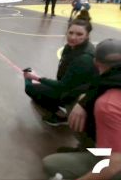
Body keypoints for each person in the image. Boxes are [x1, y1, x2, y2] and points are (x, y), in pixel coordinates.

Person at [43, 38, 121, 180]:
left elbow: (115, 163)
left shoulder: (107, 105)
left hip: (116, 160)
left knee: (52, 164)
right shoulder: (111, 86)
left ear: (96, 63)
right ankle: (87, 150)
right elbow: (98, 84)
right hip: (113, 146)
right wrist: (84, 102)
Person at [24, 10, 98, 126]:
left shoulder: (84, 58)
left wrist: (36, 78)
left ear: (87, 36)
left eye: (79, 34)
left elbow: (63, 86)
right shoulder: (71, 47)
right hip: (72, 87)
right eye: (71, 32)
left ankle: (62, 116)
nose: (73, 37)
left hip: (76, 94)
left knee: (29, 88)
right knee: (35, 86)